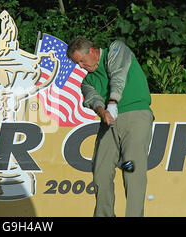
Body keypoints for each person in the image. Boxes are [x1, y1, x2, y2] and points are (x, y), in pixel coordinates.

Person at [66, 36, 154, 217]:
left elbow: (118, 75)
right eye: (77, 63)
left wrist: (113, 102)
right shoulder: (87, 81)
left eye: (81, 61)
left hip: (136, 115)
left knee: (133, 172)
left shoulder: (115, 50)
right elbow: (93, 99)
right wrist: (102, 111)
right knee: (101, 171)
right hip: (109, 121)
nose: (80, 66)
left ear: (91, 51)